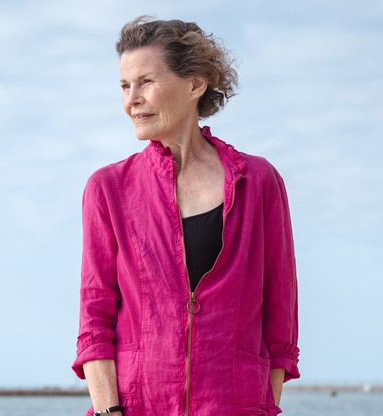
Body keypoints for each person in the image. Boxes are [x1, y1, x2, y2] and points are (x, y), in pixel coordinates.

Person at [72, 16, 300, 416]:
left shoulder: (259, 182)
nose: (132, 100)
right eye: (125, 86)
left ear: (195, 84)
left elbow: (280, 322)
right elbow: (95, 320)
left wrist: (259, 404)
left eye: (146, 82)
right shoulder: (108, 188)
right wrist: (109, 412)